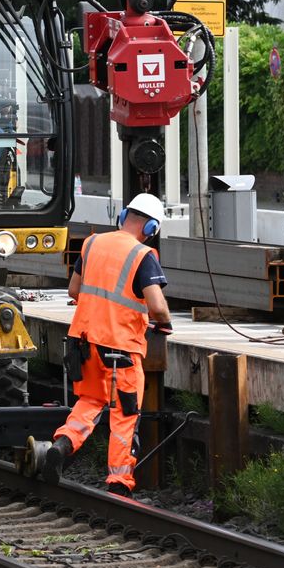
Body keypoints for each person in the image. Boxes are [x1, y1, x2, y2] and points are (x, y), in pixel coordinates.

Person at [35, 191, 171, 496]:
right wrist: (163, 322)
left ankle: (63, 443)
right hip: (122, 348)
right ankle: (119, 483)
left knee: (91, 402)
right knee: (125, 414)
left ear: (123, 217)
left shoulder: (92, 243)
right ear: (151, 229)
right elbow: (158, 306)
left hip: (84, 344)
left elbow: (74, 290)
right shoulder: (142, 255)